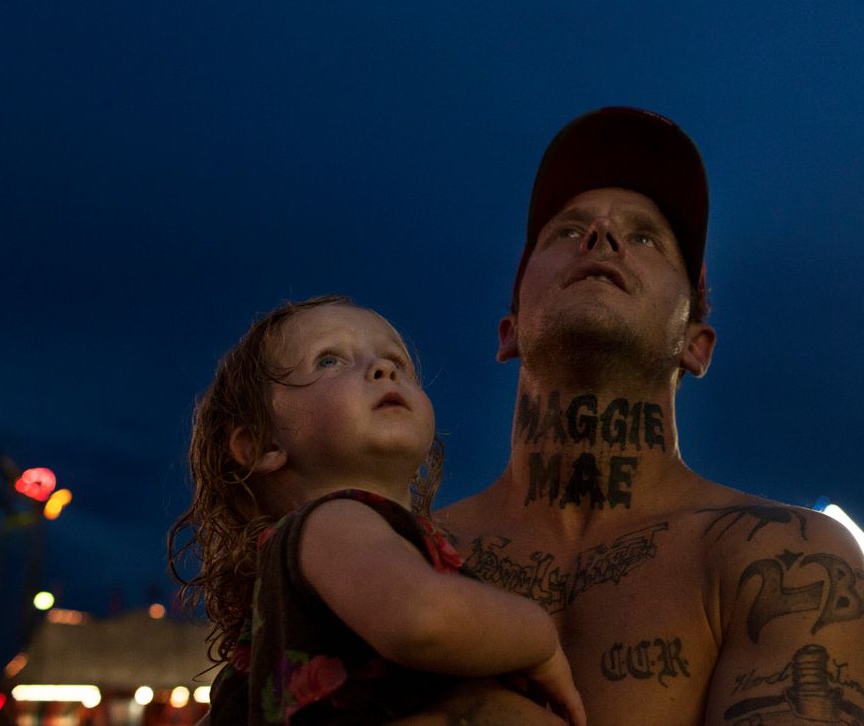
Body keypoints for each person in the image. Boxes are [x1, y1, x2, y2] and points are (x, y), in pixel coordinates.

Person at [429, 107, 864, 725]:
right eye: (566, 231)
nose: (601, 238)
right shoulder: (406, 557)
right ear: (509, 332)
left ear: (697, 344)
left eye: (645, 236)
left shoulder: (784, 561)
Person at [168, 295, 586, 726]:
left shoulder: (340, 564)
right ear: (262, 445)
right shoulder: (330, 520)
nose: (383, 370)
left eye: (397, 363)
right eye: (329, 360)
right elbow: (424, 619)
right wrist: (539, 636)